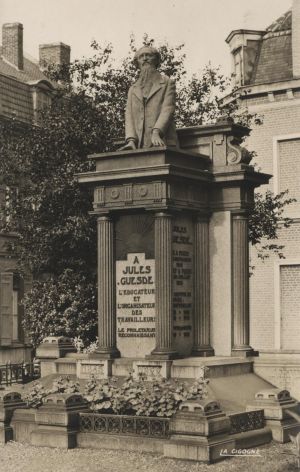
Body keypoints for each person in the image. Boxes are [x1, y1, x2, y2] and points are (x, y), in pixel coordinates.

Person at [120, 46, 178, 150]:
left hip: (162, 140)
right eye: (141, 56)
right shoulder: (133, 89)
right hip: (139, 145)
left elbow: (168, 109)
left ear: (156, 60)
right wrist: (131, 140)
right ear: (137, 62)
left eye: (148, 55)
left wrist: (157, 132)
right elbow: (129, 116)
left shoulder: (167, 83)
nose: (145, 58)